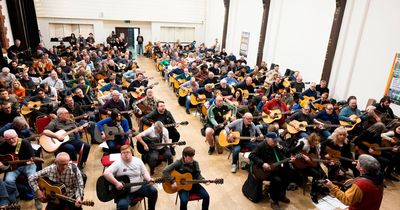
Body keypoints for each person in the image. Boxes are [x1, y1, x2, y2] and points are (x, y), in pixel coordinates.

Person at [103, 145, 158, 210]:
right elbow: (106, 173)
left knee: (153, 191)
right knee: (122, 205)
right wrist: (116, 183)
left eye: (127, 152)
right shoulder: (117, 163)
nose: (125, 154)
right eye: (123, 153)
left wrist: (149, 179)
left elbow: (144, 172)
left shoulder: (138, 161)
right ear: (120, 154)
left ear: (131, 152)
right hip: (125, 191)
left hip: (139, 187)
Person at [248, 132, 293, 210]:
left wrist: (288, 159)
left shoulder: (276, 146)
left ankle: (281, 195)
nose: (276, 142)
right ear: (267, 139)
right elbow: (251, 155)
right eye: (274, 141)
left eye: (276, 141)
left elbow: (281, 156)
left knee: (289, 174)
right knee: (277, 180)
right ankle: (274, 200)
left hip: (275, 166)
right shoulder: (261, 146)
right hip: (263, 169)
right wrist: (262, 163)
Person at [0, 129, 41, 209]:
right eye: (8, 139)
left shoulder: (25, 143)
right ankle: (14, 200)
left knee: (32, 178)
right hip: (13, 168)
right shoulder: (3, 145)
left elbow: (32, 158)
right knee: (8, 181)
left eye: (13, 138)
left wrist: (31, 161)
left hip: (27, 165)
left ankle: (37, 199)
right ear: (5, 139)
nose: (11, 140)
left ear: (17, 136)